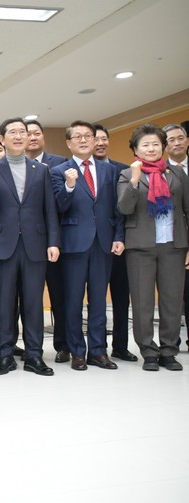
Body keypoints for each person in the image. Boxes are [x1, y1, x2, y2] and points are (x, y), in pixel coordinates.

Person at [0, 117, 60, 376]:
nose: (18, 136)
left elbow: (50, 209)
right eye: (12, 132)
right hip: (4, 244)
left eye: (22, 132)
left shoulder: (41, 169)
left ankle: (34, 356)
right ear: (2, 139)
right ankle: (4, 355)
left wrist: (53, 241)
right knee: (4, 304)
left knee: (33, 303)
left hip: (35, 244)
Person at [51, 121, 124, 371]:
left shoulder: (109, 171)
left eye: (88, 136)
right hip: (73, 244)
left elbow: (116, 209)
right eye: (77, 137)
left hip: (103, 242)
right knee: (73, 301)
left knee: (99, 301)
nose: (83, 140)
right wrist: (69, 186)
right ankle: (77, 352)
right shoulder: (59, 171)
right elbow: (58, 207)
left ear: (95, 140)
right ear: (68, 143)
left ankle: (98, 351)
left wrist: (119, 236)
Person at [117, 124, 189, 371]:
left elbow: (187, 209)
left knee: (172, 301)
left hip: (173, 245)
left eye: (156, 144)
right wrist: (135, 180)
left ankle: (169, 351)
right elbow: (124, 208)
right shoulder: (127, 174)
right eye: (145, 145)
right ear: (136, 149)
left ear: (163, 147)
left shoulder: (176, 174)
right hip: (140, 246)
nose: (151, 149)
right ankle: (148, 351)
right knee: (142, 301)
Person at [92, 125, 137, 361]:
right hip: (92, 246)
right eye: (95, 139)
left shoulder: (124, 170)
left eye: (104, 139)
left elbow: (125, 209)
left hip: (119, 244)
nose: (100, 143)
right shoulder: (76, 170)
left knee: (121, 297)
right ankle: (97, 347)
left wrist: (120, 237)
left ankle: (120, 345)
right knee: (96, 298)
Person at [25, 120, 68, 363]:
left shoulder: (60, 163)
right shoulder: (13, 165)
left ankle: (62, 345)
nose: (32, 137)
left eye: (36, 133)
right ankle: (28, 347)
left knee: (58, 295)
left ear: (43, 137)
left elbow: (58, 205)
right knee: (27, 298)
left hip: (52, 241)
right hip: (25, 243)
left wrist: (54, 240)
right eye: (28, 133)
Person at [163, 123, 189, 350]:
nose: (177, 143)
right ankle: (171, 342)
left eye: (180, 138)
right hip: (171, 244)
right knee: (175, 294)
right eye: (170, 140)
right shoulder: (160, 172)